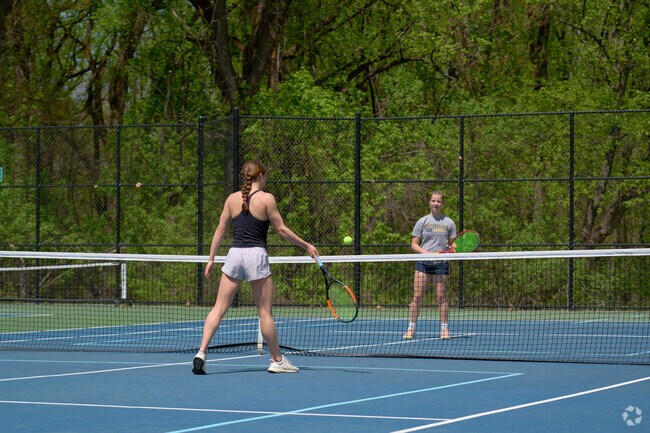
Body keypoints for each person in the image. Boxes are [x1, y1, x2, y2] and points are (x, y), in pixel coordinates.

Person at [192, 160, 318, 374]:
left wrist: (211, 258)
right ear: (261, 176)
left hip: (234, 255)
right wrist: (306, 246)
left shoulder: (231, 199)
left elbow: (220, 230)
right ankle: (277, 360)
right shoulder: (267, 199)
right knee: (265, 314)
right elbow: (282, 230)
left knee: (218, 309)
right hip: (256, 256)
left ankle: (201, 351)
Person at [403, 190, 457, 340]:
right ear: (429, 202)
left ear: (442, 203)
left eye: (438, 201)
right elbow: (414, 244)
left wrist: (450, 251)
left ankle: (445, 329)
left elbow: (454, 246)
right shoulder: (422, 221)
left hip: (441, 264)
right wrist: (425, 253)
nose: (436, 203)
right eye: (433, 201)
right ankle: (411, 328)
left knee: (441, 297)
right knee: (417, 296)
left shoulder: (449, 223)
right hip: (423, 263)